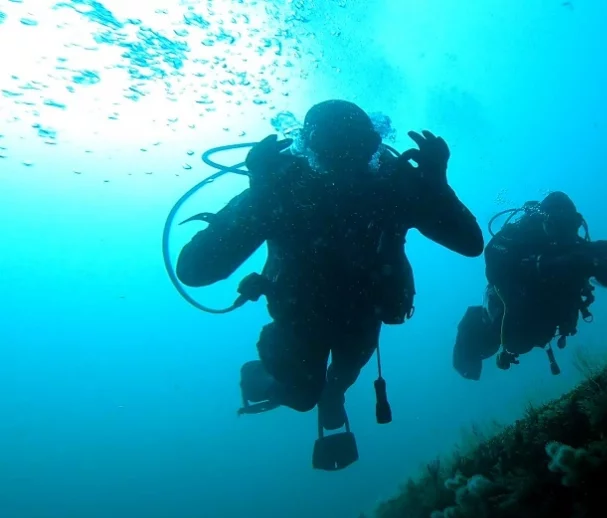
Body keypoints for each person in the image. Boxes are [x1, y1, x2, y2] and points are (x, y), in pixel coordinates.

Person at [176, 100, 484, 470]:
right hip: (300, 318)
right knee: (303, 395)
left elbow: (470, 244)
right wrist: (259, 194)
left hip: (365, 313)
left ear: (373, 144)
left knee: (341, 379)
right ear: (308, 145)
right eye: (332, 146)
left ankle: (330, 392)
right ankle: (273, 378)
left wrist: (438, 185)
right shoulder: (281, 186)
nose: (345, 160)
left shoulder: (393, 183)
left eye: (355, 147)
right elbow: (195, 270)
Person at [452, 191, 607, 380]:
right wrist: (543, 265)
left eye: (570, 226)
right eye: (558, 225)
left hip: (544, 322)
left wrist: (602, 265)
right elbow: (493, 261)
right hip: (510, 314)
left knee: (521, 340)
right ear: (545, 221)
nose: (563, 234)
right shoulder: (520, 238)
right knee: (490, 343)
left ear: (576, 223)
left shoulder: (579, 250)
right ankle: (468, 354)